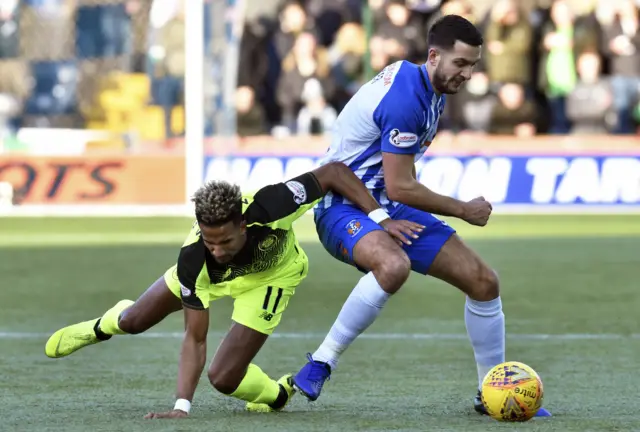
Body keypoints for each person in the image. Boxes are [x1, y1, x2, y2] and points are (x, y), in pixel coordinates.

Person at [291, 15, 551, 417]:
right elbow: (400, 186)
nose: (467, 74)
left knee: (483, 282)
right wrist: (463, 210)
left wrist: (389, 210)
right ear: (433, 56)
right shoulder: (407, 99)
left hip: (385, 203)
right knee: (393, 265)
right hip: (341, 204)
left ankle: (490, 392)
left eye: (473, 65)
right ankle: (321, 362)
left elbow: (398, 185)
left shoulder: (429, 86)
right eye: (461, 63)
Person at [44, 162, 422, 418]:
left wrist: (379, 218)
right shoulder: (194, 260)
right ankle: (102, 326)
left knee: (223, 378)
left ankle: (277, 394)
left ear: (243, 223)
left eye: (224, 241)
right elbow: (194, 338)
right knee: (134, 320)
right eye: (210, 242)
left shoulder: (271, 204)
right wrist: (181, 405)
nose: (218, 250)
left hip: (272, 279)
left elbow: (334, 173)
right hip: (207, 282)